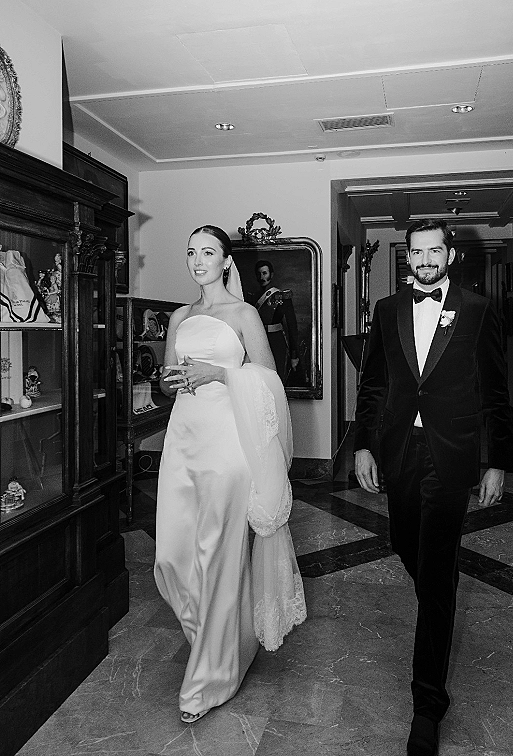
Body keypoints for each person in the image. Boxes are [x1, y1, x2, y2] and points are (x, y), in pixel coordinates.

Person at [353, 219, 513, 756]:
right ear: (408, 257)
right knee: (407, 544)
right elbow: (373, 384)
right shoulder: (387, 310)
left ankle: (427, 705)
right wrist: (362, 445)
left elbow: (495, 390)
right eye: (416, 252)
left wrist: (497, 462)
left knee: (439, 571)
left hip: (451, 455)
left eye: (434, 250)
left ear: (451, 255)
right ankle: (436, 605)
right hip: (400, 450)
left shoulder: (479, 309)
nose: (424, 259)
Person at [154, 225, 306, 725]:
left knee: (217, 555)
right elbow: (167, 381)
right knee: (172, 555)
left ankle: (209, 678)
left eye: (208, 252)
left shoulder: (244, 314)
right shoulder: (179, 317)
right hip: (183, 442)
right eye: (191, 252)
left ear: (225, 262)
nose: (198, 260)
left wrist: (220, 374)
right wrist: (170, 381)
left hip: (227, 446)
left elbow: (270, 381)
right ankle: (221, 639)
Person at [253, 259, 300, 382]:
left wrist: (294, 354)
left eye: (265, 273)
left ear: (271, 274)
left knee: (276, 378)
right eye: (259, 274)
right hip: (258, 341)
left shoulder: (282, 297)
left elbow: (292, 327)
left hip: (276, 341)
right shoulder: (252, 297)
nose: (262, 277)